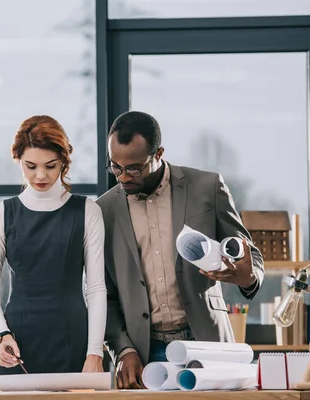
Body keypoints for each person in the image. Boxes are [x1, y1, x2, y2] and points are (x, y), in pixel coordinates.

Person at [96, 111, 265, 389]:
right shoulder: (103, 211)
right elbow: (103, 294)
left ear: (159, 153)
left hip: (208, 345)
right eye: (115, 167)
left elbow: (251, 254)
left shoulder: (206, 187)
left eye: (135, 168)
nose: (123, 177)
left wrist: (248, 276)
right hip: (142, 354)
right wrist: (122, 350)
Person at [0, 115, 107, 375]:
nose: (40, 175)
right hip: (16, 344)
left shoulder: (87, 211)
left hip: (74, 341)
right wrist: (2, 334)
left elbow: (96, 288)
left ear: (64, 161)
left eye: (50, 166)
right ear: (18, 160)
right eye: (30, 166)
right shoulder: (1, 214)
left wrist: (95, 352)